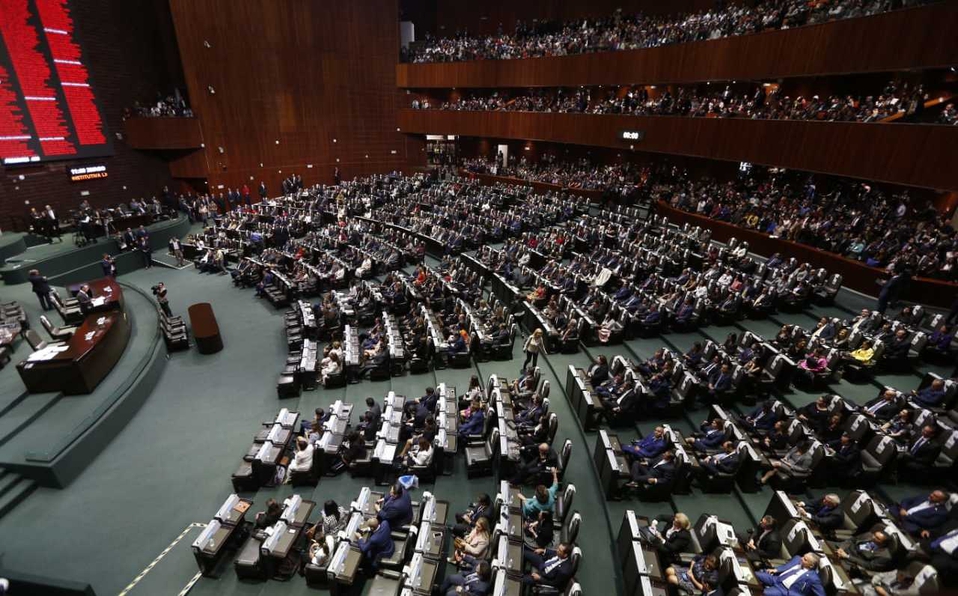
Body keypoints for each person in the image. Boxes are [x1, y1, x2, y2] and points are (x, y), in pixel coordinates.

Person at [755, 553, 825, 596]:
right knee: (754, 575)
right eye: (803, 556)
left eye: (805, 559)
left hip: (784, 590)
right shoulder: (797, 559)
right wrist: (776, 570)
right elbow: (786, 566)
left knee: (761, 593)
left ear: (811, 565)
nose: (801, 558)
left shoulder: (814, 578)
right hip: (776, 578)